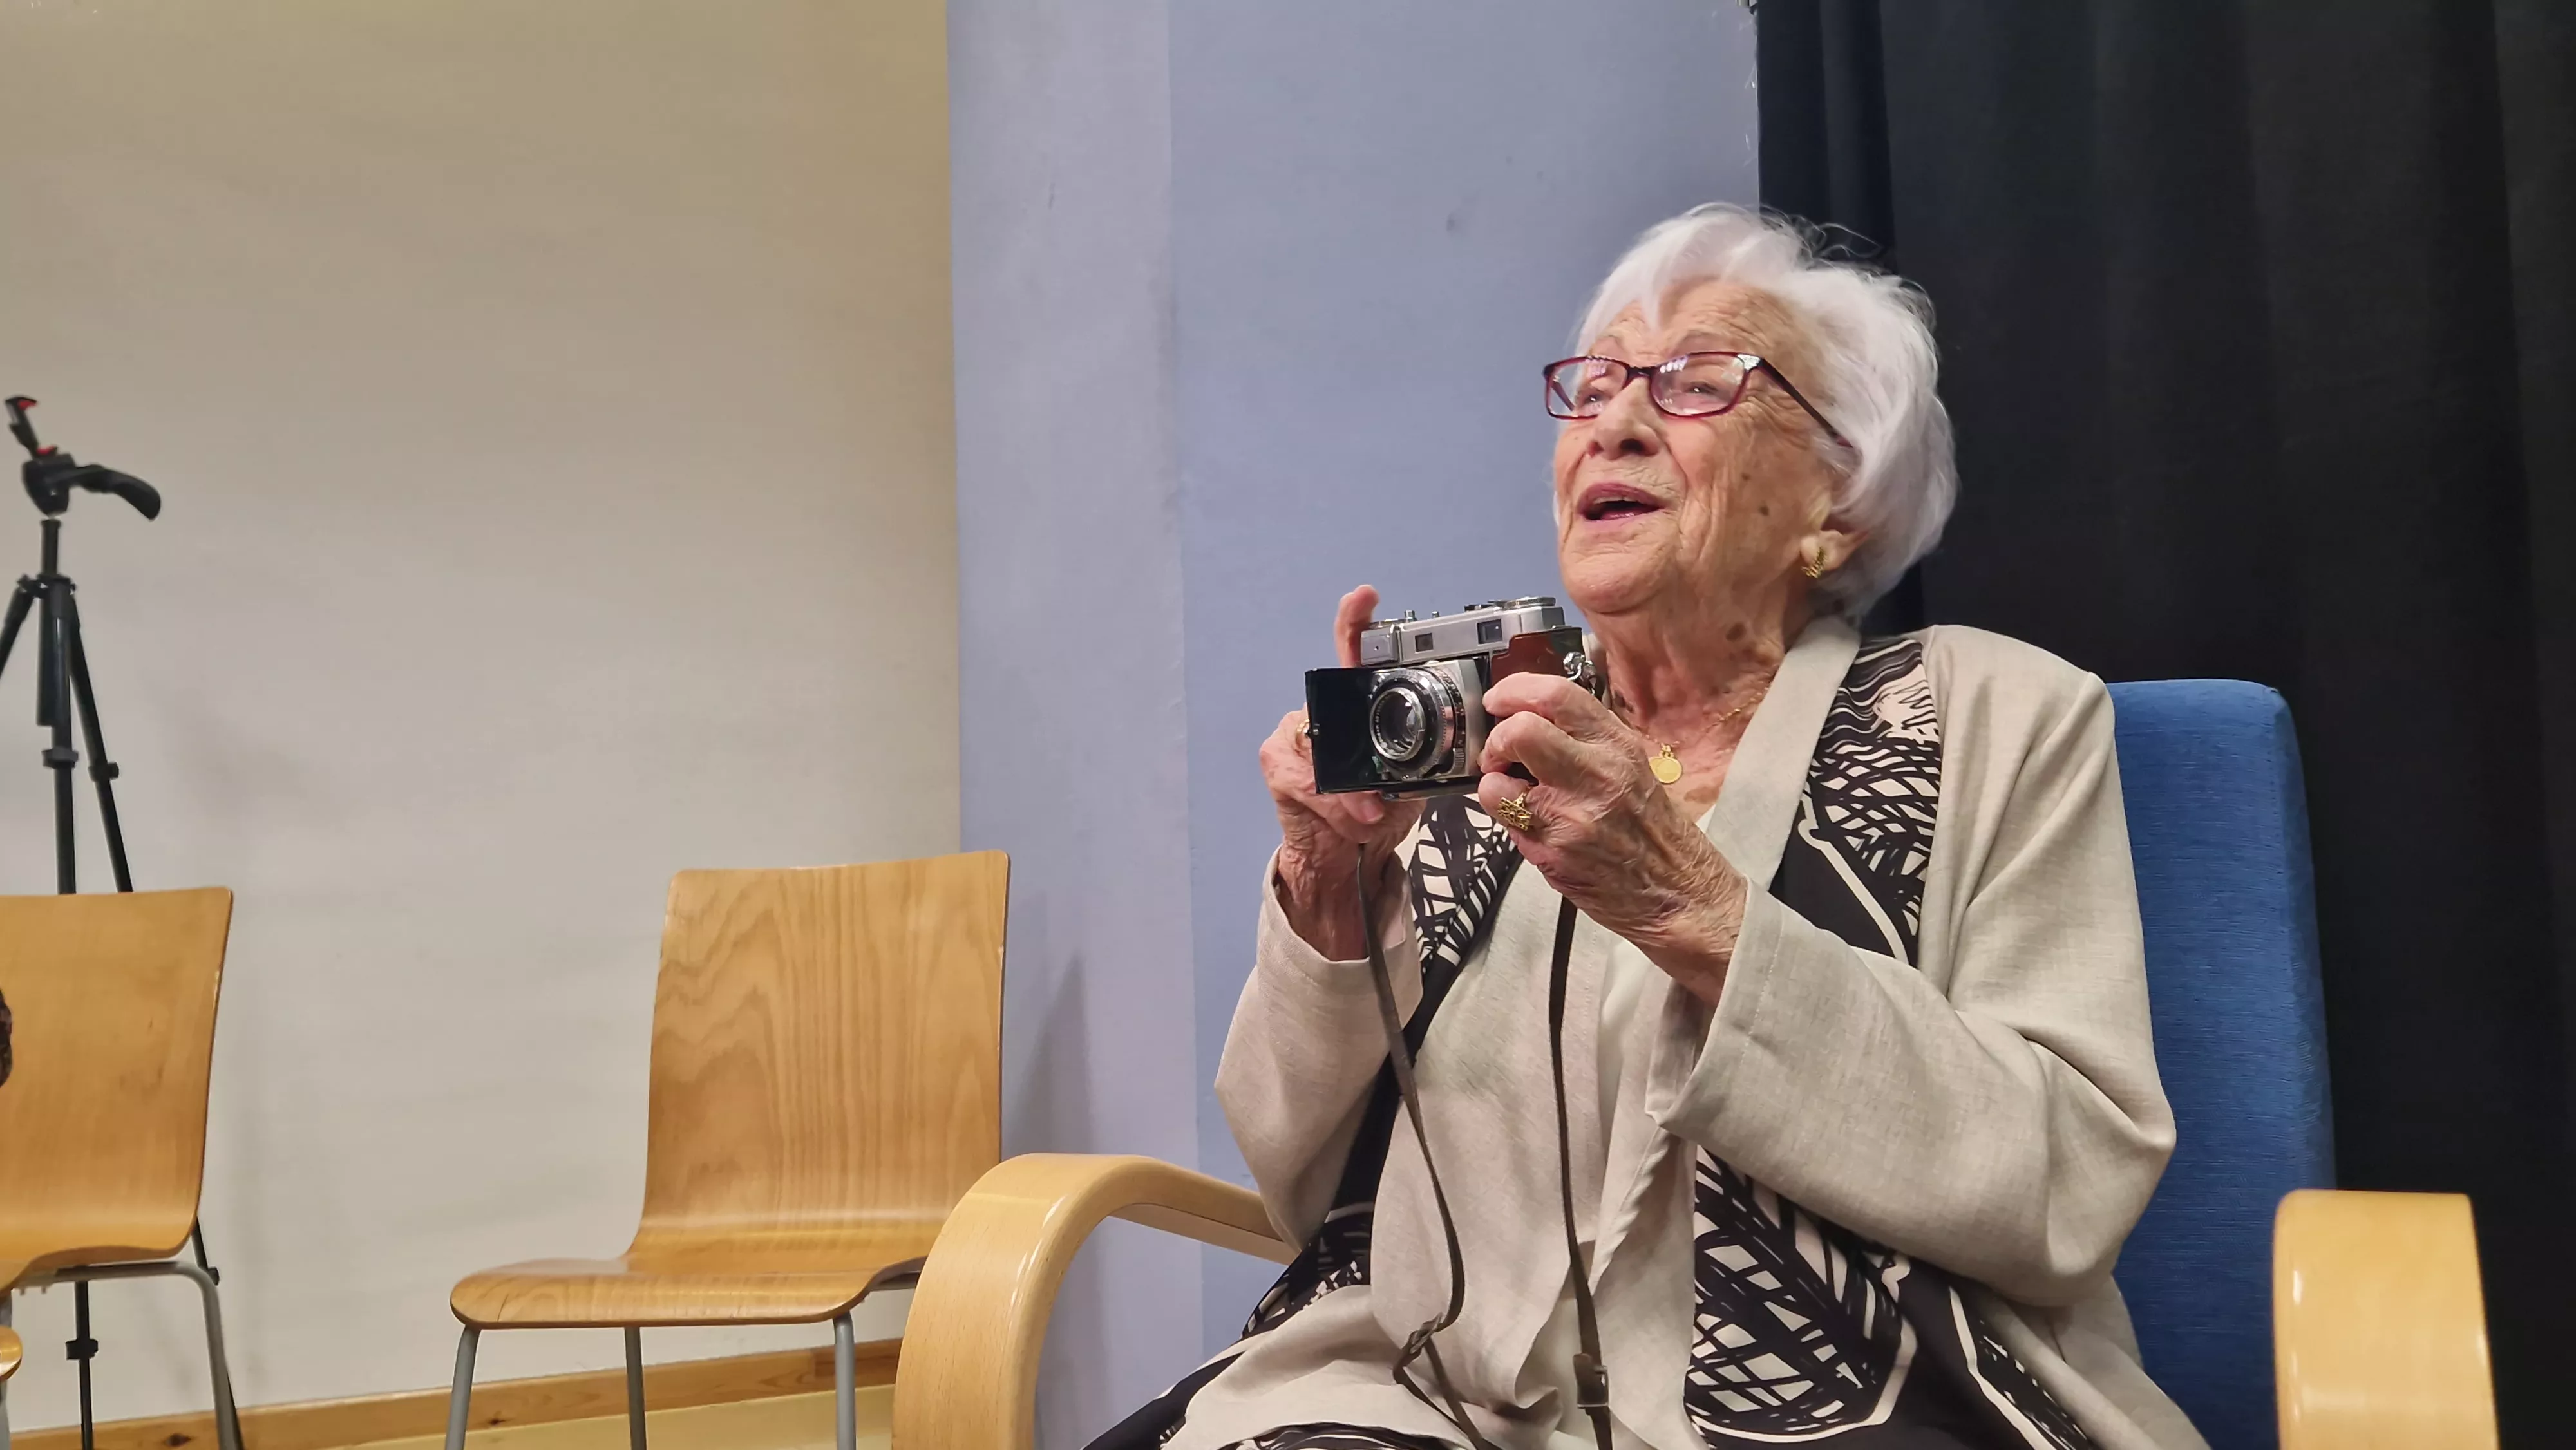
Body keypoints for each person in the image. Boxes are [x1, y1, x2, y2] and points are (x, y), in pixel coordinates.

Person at [1092, 205, 2199, 1450]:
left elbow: (2068, 1178)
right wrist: (1329, 889)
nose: (1613, 421)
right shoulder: (1480, 748)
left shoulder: (1994, 714)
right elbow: (1307, 1184)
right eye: (1597, 384)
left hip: (1868, 1400)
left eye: (1696, 382)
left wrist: (1698, 912)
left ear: (1839, 499)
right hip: (1426, 1402)